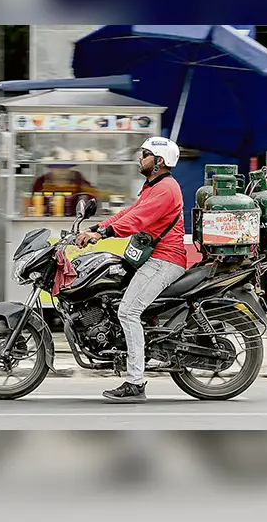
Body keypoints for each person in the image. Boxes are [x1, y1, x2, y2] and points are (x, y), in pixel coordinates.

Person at [75, 137, 185, 403]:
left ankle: (135, 383)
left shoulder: (166, 189)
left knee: (128, 311)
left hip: (165, 260)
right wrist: (96, 228)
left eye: (145, 154)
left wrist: (102, 234)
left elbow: (137, 220)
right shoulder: (152, 186)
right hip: (151, 259)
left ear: (159, 161)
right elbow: (129, 212)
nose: (140, 158)